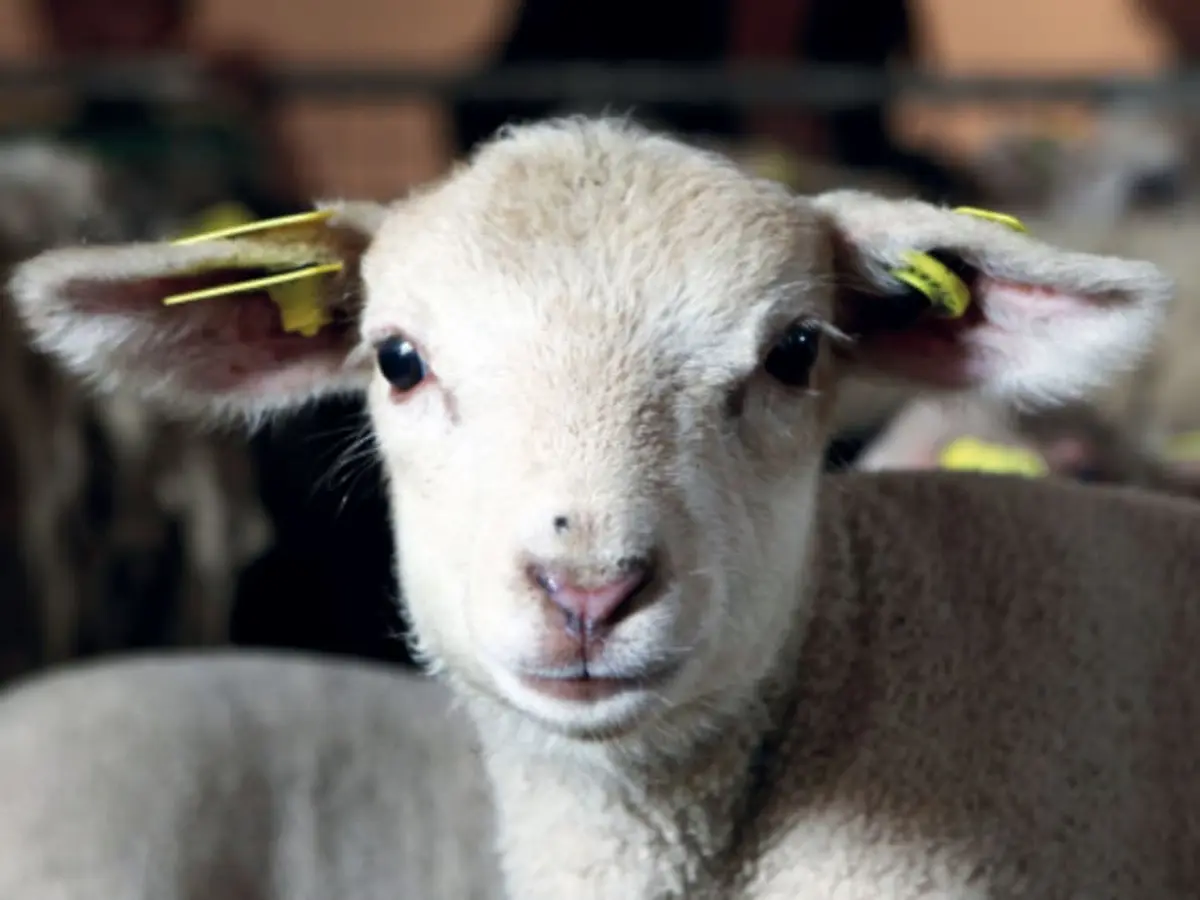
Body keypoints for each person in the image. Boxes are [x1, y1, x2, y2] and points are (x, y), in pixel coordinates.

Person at [452, 0, 978, 202]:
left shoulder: (860, 15)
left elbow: (861, 134)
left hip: (806, 199)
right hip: (630, 200)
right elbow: (489, 106)